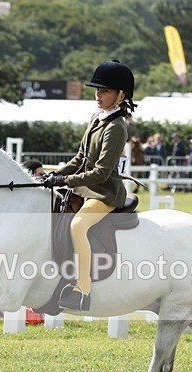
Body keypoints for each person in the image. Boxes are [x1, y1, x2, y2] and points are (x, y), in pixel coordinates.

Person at [41, 59, 135, 312]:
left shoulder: (116, 127)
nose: (98, 95)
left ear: (121, 95)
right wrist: (55, 174)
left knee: (78, 225)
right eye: (97, 90)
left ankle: (82, 290)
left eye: (104, 91)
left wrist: (68, 180)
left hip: (105, 192)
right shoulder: (97, 118)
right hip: (85, 188)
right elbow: (81, 158)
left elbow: (102, 172)